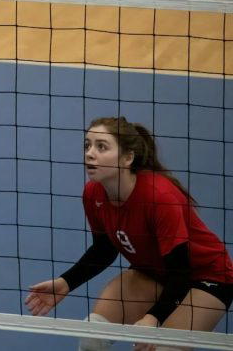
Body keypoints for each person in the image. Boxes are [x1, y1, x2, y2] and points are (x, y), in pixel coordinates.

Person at [25, 116, 233, 351]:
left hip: (206, 277)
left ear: (127, 158)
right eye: (87, 145)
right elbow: (105, 249)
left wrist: (153, 318)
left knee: (160, 349)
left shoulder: (159, 197)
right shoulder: (93, 194)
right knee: (92, 336)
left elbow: (180, 272)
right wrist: (66, 282)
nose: (90, 153)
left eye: (101, 147)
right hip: (153, 273)